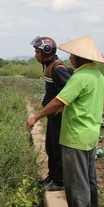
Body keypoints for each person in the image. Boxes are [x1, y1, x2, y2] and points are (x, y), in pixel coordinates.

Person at [26, 36, 104, 207]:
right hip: (90, 133)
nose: (70, 58)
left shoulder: (79, 77)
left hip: (75, 135)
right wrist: (93, 114)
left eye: (72, 55)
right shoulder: (97, 75)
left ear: (80, 58)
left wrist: (36, 117)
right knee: (88, 179)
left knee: (75, 181)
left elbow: (58, 101)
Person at [29, 36, 71, 191]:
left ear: (46, 51)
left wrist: (63, 106)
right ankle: (52, 176)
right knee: (50, 146)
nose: (35, 55)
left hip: (58, 115)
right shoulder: (49, 66)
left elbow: (70, 90)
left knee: (58, 148)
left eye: (37, 51)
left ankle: (60, 181)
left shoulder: (57, 68)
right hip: (52, 115)